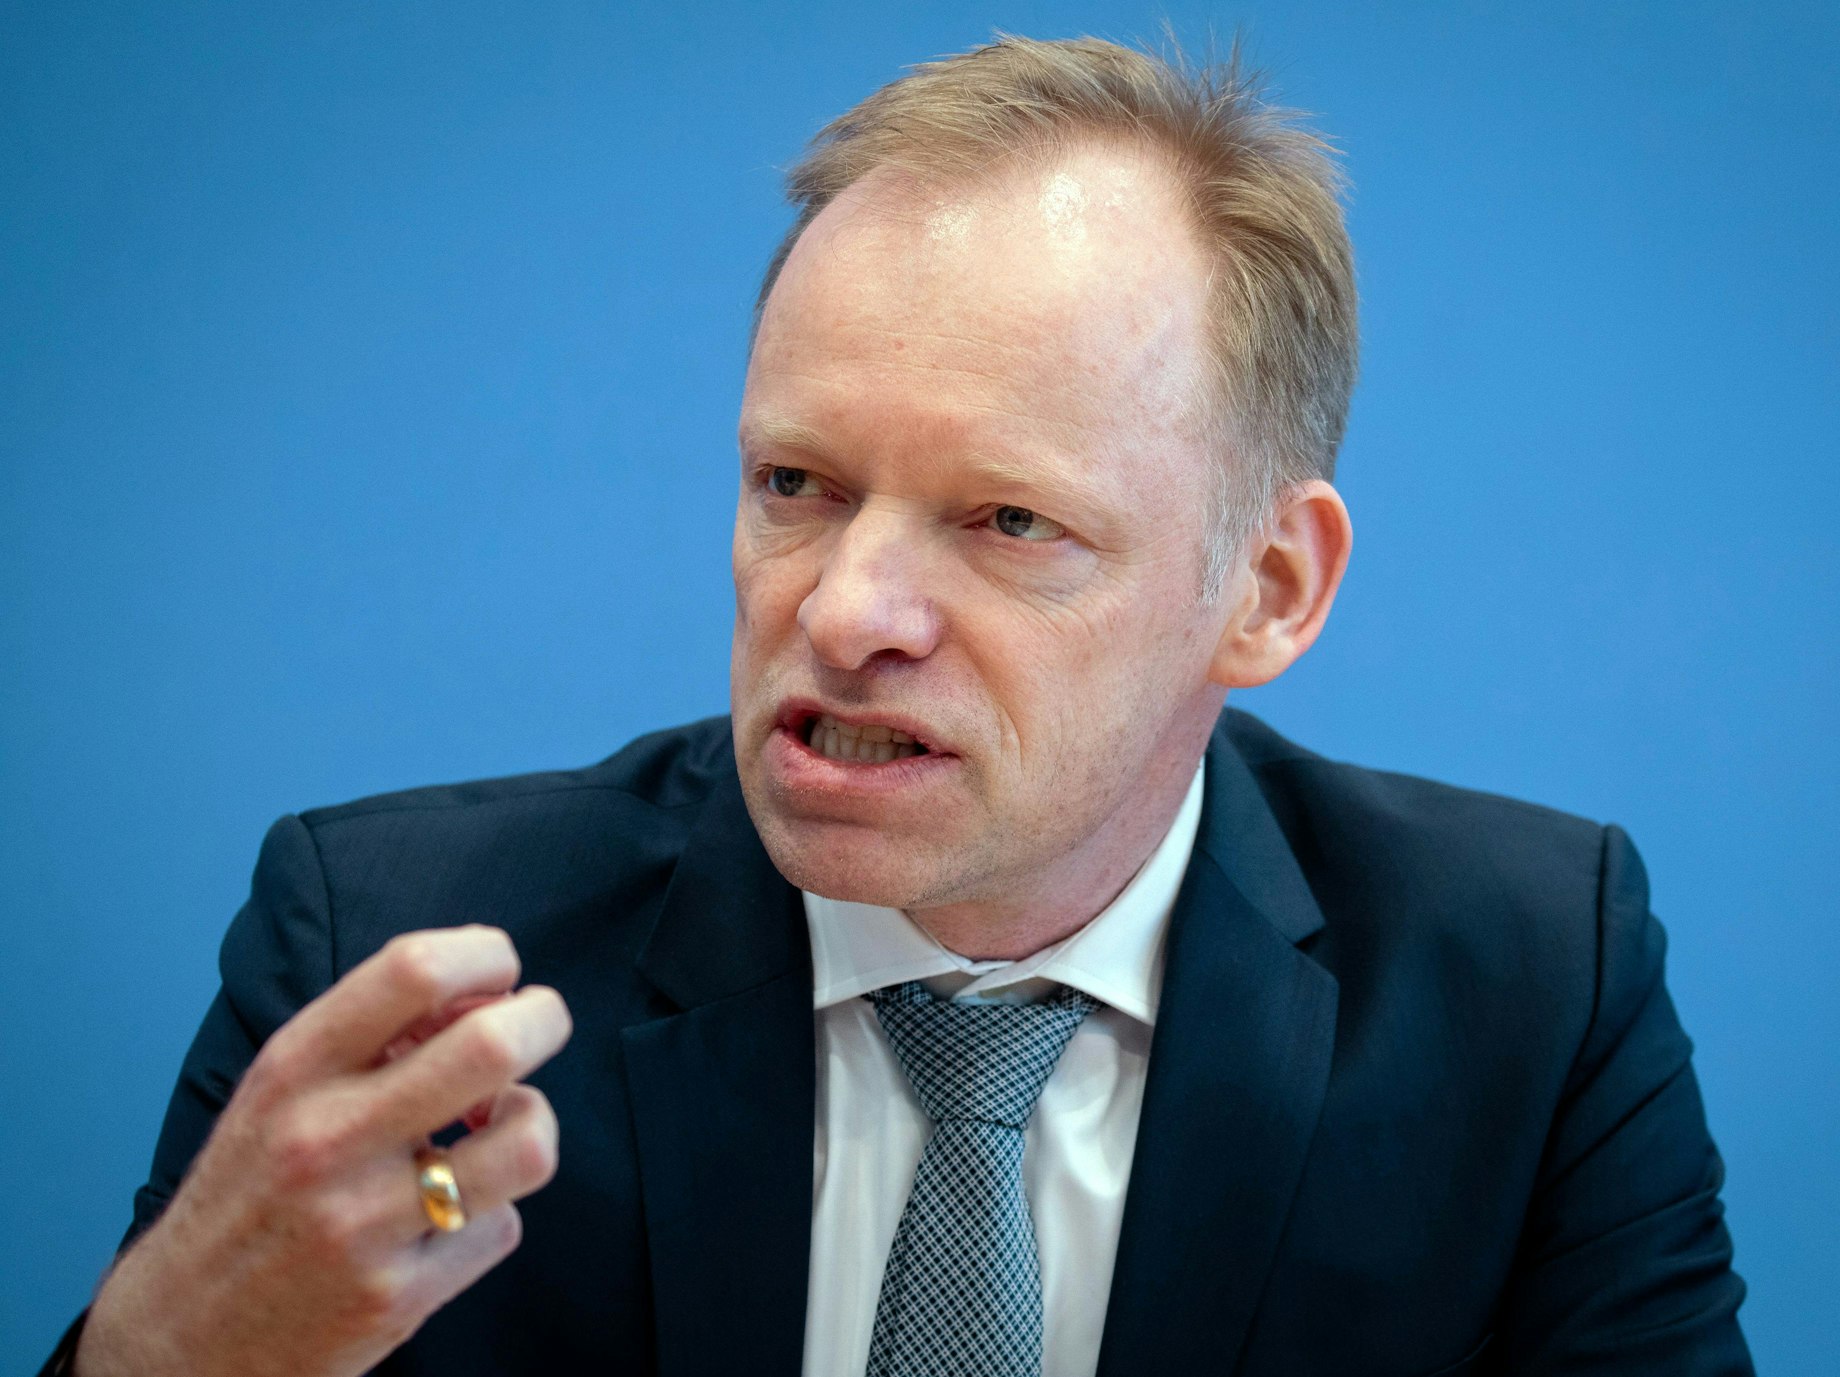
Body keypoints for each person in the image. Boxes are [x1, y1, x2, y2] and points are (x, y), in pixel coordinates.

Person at [45, 34, 1753, 1377]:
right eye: (796, 481)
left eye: (1011, 521)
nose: (846, 610)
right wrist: (168, 1359)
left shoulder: (1528, 986)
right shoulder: (405, 966)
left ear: (1271, 590)